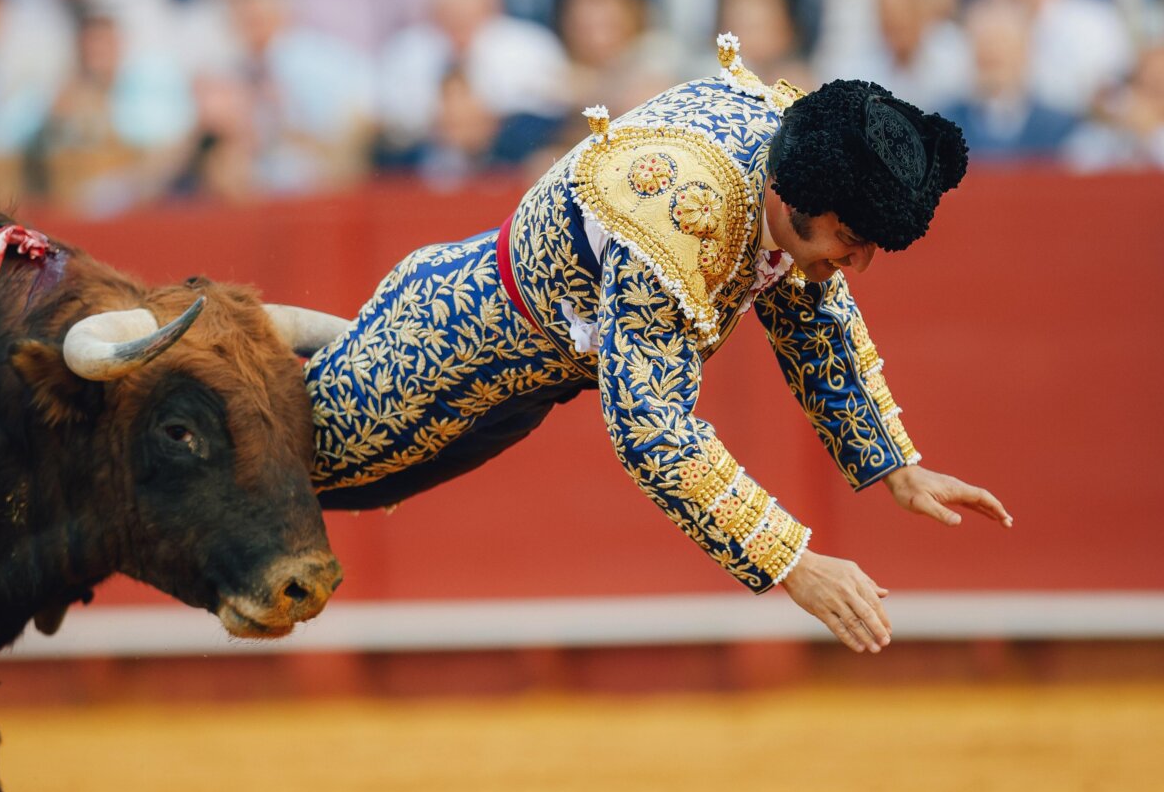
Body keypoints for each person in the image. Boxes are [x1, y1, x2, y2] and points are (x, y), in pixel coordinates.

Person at [304, 34, 1013, 654]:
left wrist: (897, 466)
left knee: (348, 480)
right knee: (300, 454)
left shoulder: (788, 156)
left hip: (527, 379)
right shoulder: (679, 213)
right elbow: (652, 430)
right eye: (852, 243)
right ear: (801, 203)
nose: (856, 265)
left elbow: (813, 315)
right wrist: (793, 560)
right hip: (446, 340)